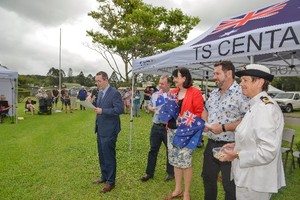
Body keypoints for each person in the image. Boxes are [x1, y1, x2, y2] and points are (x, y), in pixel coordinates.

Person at [218, 64, 286, 200]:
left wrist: (237, 154)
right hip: (250, 178)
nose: (240, 84)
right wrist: (236, 145)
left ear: (260, 82)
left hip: (256, 181)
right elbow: (252, 137)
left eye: (245, 80)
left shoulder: (264, 108)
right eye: (241, 80)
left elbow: (268, 151)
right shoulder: (256, 105)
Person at [201, 61, 250, 200]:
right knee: (208, 178)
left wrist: (223, 128)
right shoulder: (215, 93)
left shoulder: (241, 93)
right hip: (211, 144)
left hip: (230, 146)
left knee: (229, 185)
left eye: (217, 73)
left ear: (228, 74)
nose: (214, 76)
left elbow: (247, 121)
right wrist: (206, 122)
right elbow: (206, 109)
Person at [164, 68, 204, 200]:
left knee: (186, 162)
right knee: (175, 161)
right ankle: (178, 189)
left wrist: (184, 118)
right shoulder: (173, 92)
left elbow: (199, 113)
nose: (174, 79)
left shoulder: (195, 92)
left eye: (177, 77)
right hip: (171, 131)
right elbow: (169, 110)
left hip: (186, 133)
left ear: (184, 78)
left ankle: (186, 192)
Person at [89, 71, 124, 193]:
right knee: (102, 154)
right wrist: (91, 102)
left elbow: (119, 109)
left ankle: (110, 182)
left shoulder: (114, 93)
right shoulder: (100, 92)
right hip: (100, 128)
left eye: (99, 81)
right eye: (96, 81)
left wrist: (103, 111)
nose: (97, 84)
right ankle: (104, 176)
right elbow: (98, 106)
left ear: (106, 80)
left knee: (109, 155)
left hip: (110, 129)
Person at [140, 75, 174, 182]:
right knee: (153, 150)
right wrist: (151, 108)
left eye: (162, 84)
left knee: (170, 150)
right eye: (159, 83)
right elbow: (149, 105)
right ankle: (149, 173)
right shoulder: (155, 94)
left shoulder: (173, 95)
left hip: (167, 128)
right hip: (155, 126)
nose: (160, 85)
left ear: (169, 84)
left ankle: (170, 173)